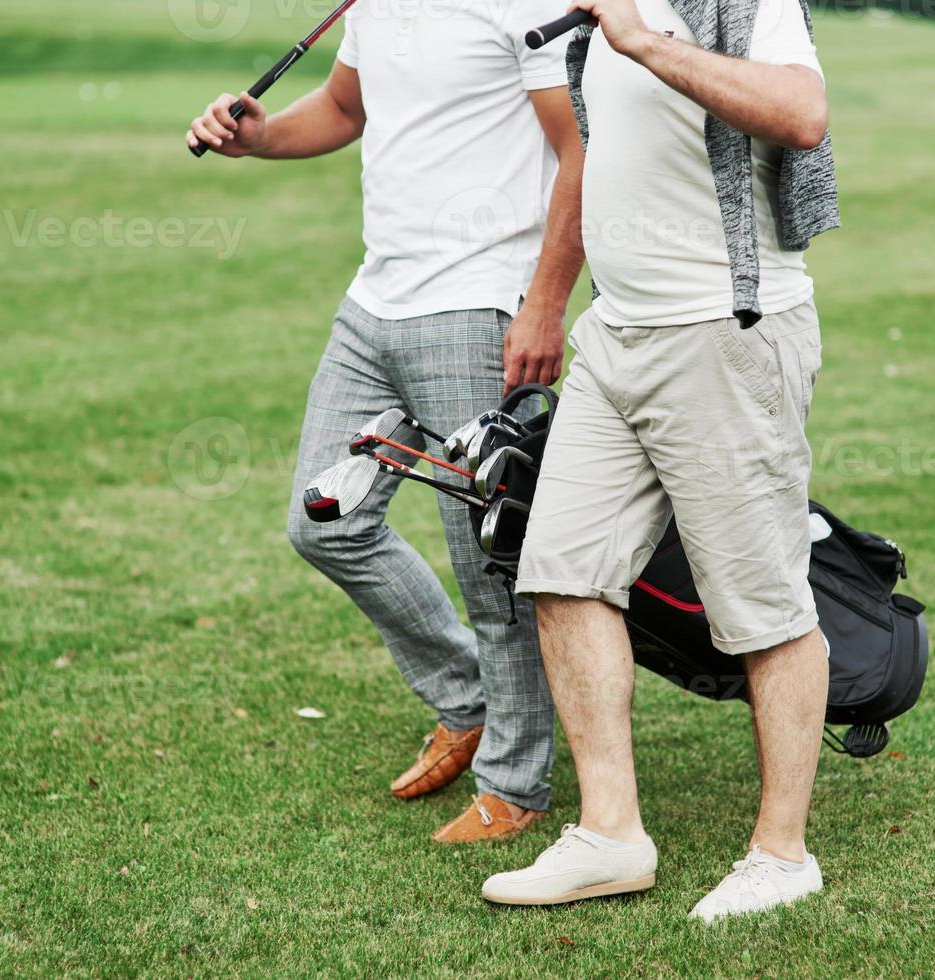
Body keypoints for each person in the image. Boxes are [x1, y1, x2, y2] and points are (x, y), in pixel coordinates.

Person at [186, 0, 586, 842]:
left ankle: (515, 785)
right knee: (323, 519)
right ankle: (466, 697)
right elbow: (343, 109)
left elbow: (581, 149)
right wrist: (257, 135)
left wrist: (545, 302)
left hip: (477, 306)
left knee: (491, 568)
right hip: (375, 304)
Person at [480, 0, 840, 919]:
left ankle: (783, 855)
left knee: (762, 603)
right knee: (561, 569)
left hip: (726, 332)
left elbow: (802, 111)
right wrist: (557, 304)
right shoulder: (590, 18)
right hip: (619, 335)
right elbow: (598, 159)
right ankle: (611, 835)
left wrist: (643, 40)